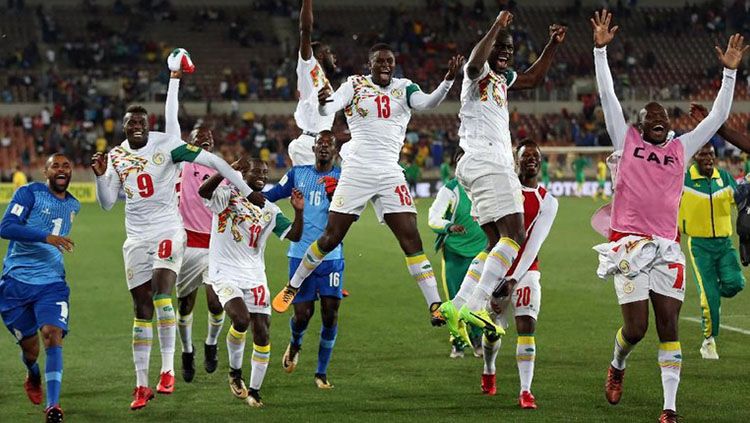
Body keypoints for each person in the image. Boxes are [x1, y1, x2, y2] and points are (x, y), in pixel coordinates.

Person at [590, 10, 745, 422]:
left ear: (669, 126)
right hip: (628, 245)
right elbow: (607, 98)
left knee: (669, 326)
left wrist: (728, 75)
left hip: (668, 249)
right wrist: (600, 51)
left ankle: (669, 408)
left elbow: (716, 118)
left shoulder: (682, 148)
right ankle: (618, 363)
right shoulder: (625, 140)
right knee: (637, 328)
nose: (658, 122)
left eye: (663, 119)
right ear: (640, 126)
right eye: (650, 119)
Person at [90, 49, 263, 410]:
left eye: (141, 122)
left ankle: (167, 370)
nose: (136, 126)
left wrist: (246, 188)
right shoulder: (117, 156)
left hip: (169, 231)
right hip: (135, 237)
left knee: (162, 293)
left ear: (147, 124)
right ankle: (141, 385)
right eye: (130, 123)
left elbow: (210, 157)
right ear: (122, 127)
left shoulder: (165, 144)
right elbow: (107, 202)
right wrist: (98, 175)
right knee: (141, 308)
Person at [272, 43, 464, 327]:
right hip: (357, 170)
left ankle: (434, 304)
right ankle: (295, 284)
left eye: (390, 61)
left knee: (411, 237)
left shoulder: (405, 87)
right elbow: (332, 104)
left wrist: (448, 79)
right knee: (330, 237)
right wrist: (325, 101)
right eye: (380, 61)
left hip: (389, 172)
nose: (386, 65)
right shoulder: (354, 84)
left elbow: (428, 103)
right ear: (370, 64)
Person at [439, 10, 566, 341]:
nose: (506, 51)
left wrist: (552, 45)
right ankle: (479, 305)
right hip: (488, 160)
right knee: (516, 236)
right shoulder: (477, 74)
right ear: (489, 47)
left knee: (496, 242)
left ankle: (457, 303)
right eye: (500, 46)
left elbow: (533, 79)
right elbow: (471, 65)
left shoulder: (501, 79)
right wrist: (496, 28)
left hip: (478, 164)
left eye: (509, 47)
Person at [199, 158, 304, 408]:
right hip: (224, 271)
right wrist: (228, 171)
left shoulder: (269, 209)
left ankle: (255, 391)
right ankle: (235, 372)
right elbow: (203, 191)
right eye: (256, 171)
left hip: (254, 274)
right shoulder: (226, 194)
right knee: (241, 319)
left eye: (265, 173)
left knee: (262, 331)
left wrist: (299, 211)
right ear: (242, 173)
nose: (262, 176)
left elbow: (295, 235)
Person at [0, 153, 79, 423]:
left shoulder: (74, 205)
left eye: (66, 165)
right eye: (55, 165)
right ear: (45, 172)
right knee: (30, 350)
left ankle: (53, 406)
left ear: (71, 173)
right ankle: (33, 372)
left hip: (52, 283)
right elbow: (6, 227)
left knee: (52, 334)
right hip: (16, 284)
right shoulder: (29, 193)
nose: (61, 169)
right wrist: (45, 237)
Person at [479, 140, 558, 409]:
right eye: (526, 156)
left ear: (541, 161)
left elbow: (534, 242)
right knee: (493, 331)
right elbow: (485, 223)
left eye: (535, 156)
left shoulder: (548, 200)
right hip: (498, 266)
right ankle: (489, 368)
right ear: (517, 160)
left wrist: (514, 279)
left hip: (526, 271)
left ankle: (526, 391)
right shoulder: (503, 190)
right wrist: (499, 276)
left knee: (527, 326)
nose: (531, 160)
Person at [265, 131, 343, 389]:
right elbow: (274, 194)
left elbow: (350, 211)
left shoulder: (343, 178)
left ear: (335, 150)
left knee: (330, 314)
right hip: (299, 253)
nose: (323, 147)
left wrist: (336, 197)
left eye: (328, 144)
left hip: (331, 256)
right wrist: (247, 196)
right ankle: (295, 343)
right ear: (313, 148)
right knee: (303, 315)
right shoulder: (298, 173)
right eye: (320, 143)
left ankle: (321, 373)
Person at [678, 144, 744, 359]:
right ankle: (708, 341)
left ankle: (713, 291)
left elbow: (739, 199)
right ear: (695, 157)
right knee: (709, 299)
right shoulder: (684, 180)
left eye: (711, 154)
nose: (707, 158)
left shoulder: (724, 178)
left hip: (725, 244)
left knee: (735, 283)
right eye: (702, 154)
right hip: (699, 246)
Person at [174, 125, 227, 382]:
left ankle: (211, 343)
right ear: (189, 143)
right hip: (186, 245)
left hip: (215, 246)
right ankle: (186, 351)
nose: (206, 140)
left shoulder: (221, 170)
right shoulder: (179, 165)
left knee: (217, 302)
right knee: (185, 304)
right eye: (199, 138)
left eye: (210, 137)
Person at [428, 162, 486, 358]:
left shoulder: (486, 184)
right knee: (455, 300)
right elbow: (433, 217)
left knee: (479, 299)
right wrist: (449, 226)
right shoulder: (451, 189)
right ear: (457, 167)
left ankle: (478, 339)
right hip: (455, 252)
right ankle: (458, 343)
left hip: (482, 252)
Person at [288, 0, 337, 166]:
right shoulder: (308, 66)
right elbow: (306, 31)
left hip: (318, 142)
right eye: (329, 52)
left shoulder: (323, 79)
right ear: (321, 55)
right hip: (310, 145)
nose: (334, 56)